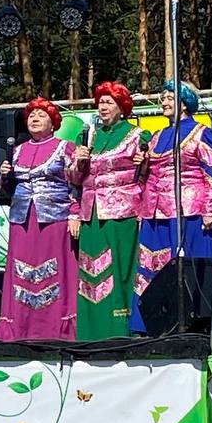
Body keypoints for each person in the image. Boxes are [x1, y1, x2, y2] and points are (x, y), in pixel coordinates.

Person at [130, 81, 212, 335]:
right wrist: (142, 164)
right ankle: (149, 323)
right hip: (154, 210)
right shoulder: (156, 136)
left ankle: (192, 323)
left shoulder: (201, 132)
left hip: (188, 209)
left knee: (185, 262)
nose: (164, 102)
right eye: (162, 98)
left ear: (184, 103)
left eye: (170, 98)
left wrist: (210, 209)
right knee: (152, 262)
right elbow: (146, 176)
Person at [0, 97, 79, 342]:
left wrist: (74, 214)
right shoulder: (18, 150)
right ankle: (21, 328)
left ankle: (55, 328)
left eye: (41, 115)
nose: (34, 118)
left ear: (53, 123)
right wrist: (5, 177)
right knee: (22, 269)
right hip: (22, 220)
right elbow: (9, 189)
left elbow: (76, 184)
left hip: (54, 219)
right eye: (31, 115)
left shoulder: (65, 147)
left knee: (55, 269)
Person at [72, 81, 148, 340]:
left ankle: (119, 329)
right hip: (91, 212)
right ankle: (90, 330)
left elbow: (147, 175)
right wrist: (78, 162)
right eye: (100, 102)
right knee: (90, 268)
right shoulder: (88, 136)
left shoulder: (137, 135)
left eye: (109, 102)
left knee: (119, 267)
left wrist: (144, 163)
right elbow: (73, 179)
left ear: (122, 106)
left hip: (122, 211)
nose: (103, 107)